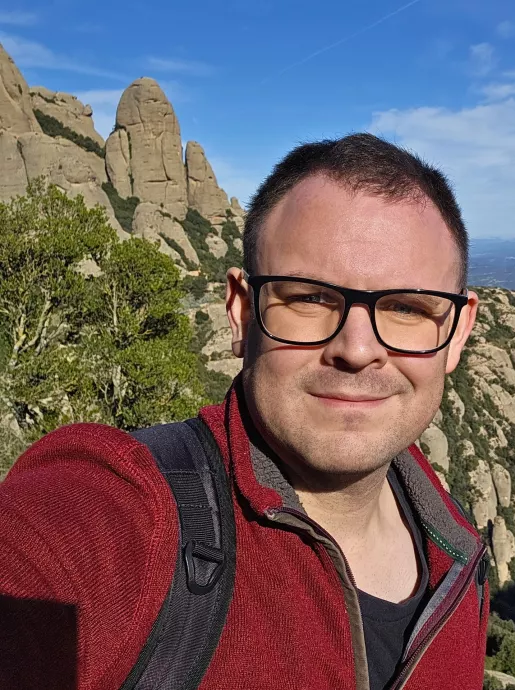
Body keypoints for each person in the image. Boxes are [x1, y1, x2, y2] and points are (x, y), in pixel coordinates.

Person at [0, 134, 487, 690]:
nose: (356, 350)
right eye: (308, 297)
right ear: (241, 312)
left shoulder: (458, 552)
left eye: (405, 307)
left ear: (457, 333)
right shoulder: (128, 513)